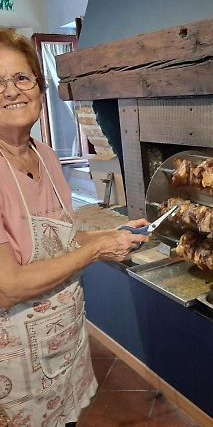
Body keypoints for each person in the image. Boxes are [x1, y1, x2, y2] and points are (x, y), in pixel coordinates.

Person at [0, 29, 150, 426]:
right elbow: (8, 285)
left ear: (38, 84)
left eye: (21, 78)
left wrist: (109, 236)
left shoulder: (46, 156)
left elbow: (58, 241)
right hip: (13, 368)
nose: (11, 91)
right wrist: (97, 251)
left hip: (62, 344)